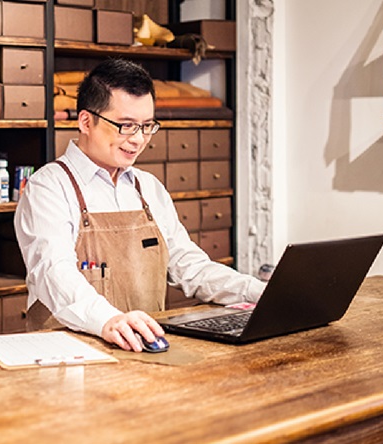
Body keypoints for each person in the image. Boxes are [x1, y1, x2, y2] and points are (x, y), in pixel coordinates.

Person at [14, 59, 266, 352]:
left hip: (144, 350)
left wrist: (259, 292)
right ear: (85, 121)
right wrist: (108, 320)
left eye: (147, 126)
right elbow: (53, 271)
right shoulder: (49, 187)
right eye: (126, 126)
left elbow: (190, 267)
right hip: (69, 356)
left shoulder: (148, 188)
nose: (138, 139)